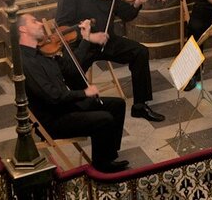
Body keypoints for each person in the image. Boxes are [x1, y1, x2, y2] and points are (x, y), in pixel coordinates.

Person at [56, 0, 165, 122]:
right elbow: (63, 27)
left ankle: (140, 106)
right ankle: (84, 110)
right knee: (71, 73)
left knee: (140, 52)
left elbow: (126, 15)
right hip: (82, 45)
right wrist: (90, 36)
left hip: (107, 40)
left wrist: (137, 3)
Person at [19, 14, 129, 173]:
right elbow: (53, 97)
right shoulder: (26, 63)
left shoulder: (44, 52)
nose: (40, 24)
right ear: (23, 29)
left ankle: (109, 154)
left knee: (117, 104)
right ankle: (101, 167)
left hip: (67, 106)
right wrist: (84, 93)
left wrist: (85, 39)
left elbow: (71, 69)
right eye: (34, 21)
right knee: (104, 119)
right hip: (54, 119)